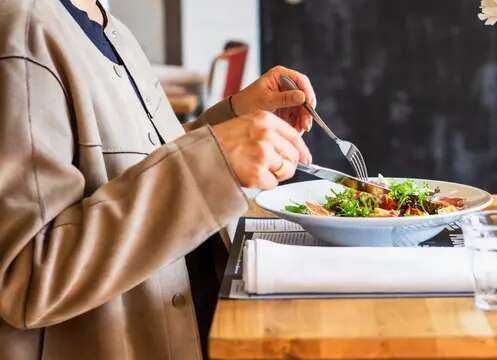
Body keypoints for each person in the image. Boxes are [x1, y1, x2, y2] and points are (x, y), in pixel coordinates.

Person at [0, 0, 317, 359]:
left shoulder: (108, 26)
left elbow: (142, 165)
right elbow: (24, 279)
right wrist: (212, 161)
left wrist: (232, 119)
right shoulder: (23, 31)